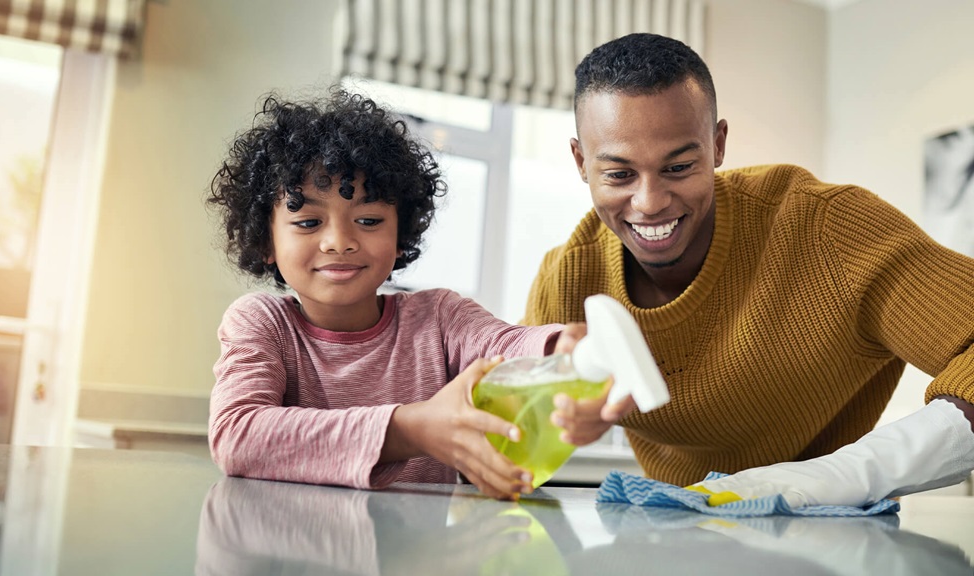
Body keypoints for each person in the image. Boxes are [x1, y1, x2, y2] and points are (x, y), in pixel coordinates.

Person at [523, 33, 974, 507]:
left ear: (717, 145)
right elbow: (513, 444)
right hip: (673, 529)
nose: (650, 202)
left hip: (830, 534)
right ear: (580, 161)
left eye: (678, 167)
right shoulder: (567, 278)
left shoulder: (827, 228)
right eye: (619, 174)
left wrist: (843, 475)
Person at [205, 88, 594, 501]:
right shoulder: (262, 322)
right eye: (307, 222)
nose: (339, 241)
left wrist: (562, 348)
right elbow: (236, 434)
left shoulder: (438, 317)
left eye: (369, 219)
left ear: (401, 236)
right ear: (266, 240)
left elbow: (504, 345)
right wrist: (412, 428)